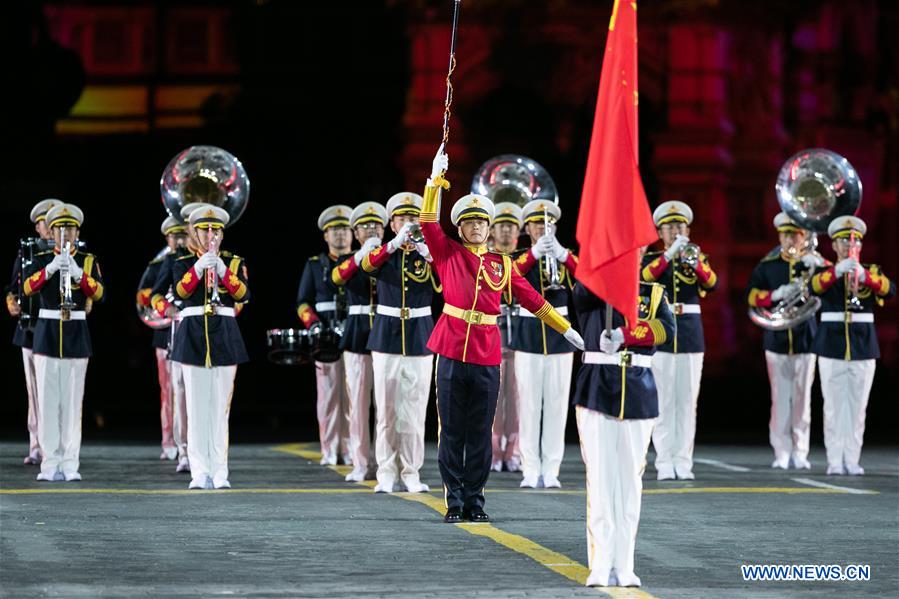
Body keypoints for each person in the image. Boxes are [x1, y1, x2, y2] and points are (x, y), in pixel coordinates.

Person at [420, 146, 584, 523]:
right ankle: (453, 500)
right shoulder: (448, 254)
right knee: (451, 433)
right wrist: (434, 181)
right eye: (469, 223)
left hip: (486, 354)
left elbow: (534, 300)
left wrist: (566, 328)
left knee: (479, 434)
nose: (476, 228)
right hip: (450, 350)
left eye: (482, 223)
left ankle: (475, 501)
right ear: (460, 228)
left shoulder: (502, 266)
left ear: (489, 229)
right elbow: (429, 221)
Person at [571, 280, 674, 588]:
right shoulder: (594, 285)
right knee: (601, 479)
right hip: (597, 388)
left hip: (639, 389)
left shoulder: (653, 292)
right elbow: (580, 296)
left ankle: (624, 564)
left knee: (630, 481)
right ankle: (601, 564)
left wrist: (625, 335)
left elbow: (666, 329)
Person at [354, 192, 439, 493]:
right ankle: (386, 473)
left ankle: (412, 473)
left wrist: (429, 252)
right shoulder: (384, 252)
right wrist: (391, 245)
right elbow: (365, 266)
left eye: (413, 218)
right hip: (387, 334)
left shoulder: (429, 254)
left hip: (419, 335)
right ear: (392, 224)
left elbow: (444, 283)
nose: (408, 223)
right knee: (387, 410)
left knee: (415, 411)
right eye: (402, 218)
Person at [23, 203, 104, 482]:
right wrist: (51, 269)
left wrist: (80, 274)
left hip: (77, 333)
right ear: (52, 231)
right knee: (47, 402)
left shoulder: (88, 259)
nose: (65, 233)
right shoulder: (42, 257)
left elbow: (100, 292)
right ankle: (49, 463)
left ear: (77, 231)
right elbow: (26, 287)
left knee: (72, 404)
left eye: (70, 228)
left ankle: (70, 463)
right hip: (47, 333)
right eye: (60, 228)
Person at [170, 205, 249, 489]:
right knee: (196, 407)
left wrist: (223, 269)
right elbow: (179, 291)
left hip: (224, 335)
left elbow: (243, 293)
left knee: (219, 410)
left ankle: (220, 471)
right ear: (193, 231)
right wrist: (198, 267)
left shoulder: (235, 262)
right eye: (204, 229)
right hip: (192, 336)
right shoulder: (181, 261)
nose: (210, 234)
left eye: (215, 229)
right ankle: (199, 472)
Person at [810, 216, 894, 475]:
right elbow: (814, 287)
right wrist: (837, 271)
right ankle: (835, 460)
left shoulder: (871, 270)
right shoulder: (825, 272)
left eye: (854, 240)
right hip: (832, 343)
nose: (849, 244)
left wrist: (865, 276)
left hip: (862, 344)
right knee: (834, 406)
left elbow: (889, 291)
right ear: (834, 245)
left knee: (858, 407)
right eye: (843, 240)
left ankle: (852, 459)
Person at [641, 201, 718, 480]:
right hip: (662, 333)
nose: (675, 231)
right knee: (663, 401)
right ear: (660, 233)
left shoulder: (697, 258)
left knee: (687, 402)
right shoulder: (651, 260)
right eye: (669, 227)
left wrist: (693, 262)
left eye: (680, 226)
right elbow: (644, 277)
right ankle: (664, 462)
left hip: (689, 334)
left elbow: (712, 283)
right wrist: (668, 255)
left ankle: (683, 461)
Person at [509, 200, 580, 488]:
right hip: (529, 336)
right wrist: (534, 255)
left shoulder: (566, 257)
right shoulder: (518, 256)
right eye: (537, 224)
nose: (543, 228)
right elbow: (507, 280)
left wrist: (563, 255)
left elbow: (588, 279)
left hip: (560, 339)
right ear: (527, 228)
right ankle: (530, 468)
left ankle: (551, 469)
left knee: (556, 405)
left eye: (547, 223)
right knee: (527, 406)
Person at [746, 212, 822, 469]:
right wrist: (776, 294)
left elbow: (830, 287)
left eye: (795, 234)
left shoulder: (814, 263)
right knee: (780, 399)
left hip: (806, 339)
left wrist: (820, 266)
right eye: (785, 234)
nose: (789, 239)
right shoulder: (768, 264)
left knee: (802, 400)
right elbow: (752, 297)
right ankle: (781, 451)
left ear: (804, 237)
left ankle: (800, 452)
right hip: (777, 340)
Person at [148, 202, 212, 474]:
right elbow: (155, 296)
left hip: (211, 334)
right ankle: (184, 449)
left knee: (212, 396)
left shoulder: (224, 258)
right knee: (181, 393)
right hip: (181, 333)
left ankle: (209, 449)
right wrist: (169, 310)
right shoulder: (176, 261)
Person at [331, 201, 387, 482]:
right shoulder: (348, 259)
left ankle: (383, 462)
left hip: (386, 333)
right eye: (365, 226)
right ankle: (361, 463)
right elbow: (337, 277)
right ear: (355, 232)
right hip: (357, 334)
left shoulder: (391, 255)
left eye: (376, 225)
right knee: (358, 404)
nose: (371, 229)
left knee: (385, 405)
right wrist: (359, 257)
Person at [297, 205, 353, 466]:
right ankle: (330, 448)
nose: (340, 235)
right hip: (326, 336)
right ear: (326, 236)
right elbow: (302, 302)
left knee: (354, 395)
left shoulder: (361, 261)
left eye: (344, 229)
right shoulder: (315, 264)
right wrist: (315, 326)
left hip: (354, 334)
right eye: (334, 230)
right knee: (329, 395)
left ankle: (352, 447)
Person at [6, 198, 58, 465]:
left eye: (53, 222)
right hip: (32, 329)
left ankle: (59, 445)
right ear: (37, 227)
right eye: (44, 222)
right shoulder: (27, 252)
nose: (49, 226)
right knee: (35, 390)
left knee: (59, 390)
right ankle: (37, 444)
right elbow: (13, 286)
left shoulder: (68, 252)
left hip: (59, 330)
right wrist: (11, 301)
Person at [137, 216, 187, 461]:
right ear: (167, 237)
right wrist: (163, 305)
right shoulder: (159, 264)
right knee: (168, 392)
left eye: (182, 235)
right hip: (164, 332)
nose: (178, 240)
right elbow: (143, 298)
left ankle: (186, 441)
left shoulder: (190, 260)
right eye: (174, 236)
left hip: (186, 329)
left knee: (187, 392)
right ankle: (169, 441)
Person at [488, 202, 522, 473]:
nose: (507, 231)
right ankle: (493, 450)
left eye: (511, 226)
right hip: (494, 328)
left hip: (522, 330)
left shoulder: (524, 257)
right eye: (502, 225)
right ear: (492, 230)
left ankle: (514, 451)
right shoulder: (486, 258)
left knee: (519, 395)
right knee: (494, 394)